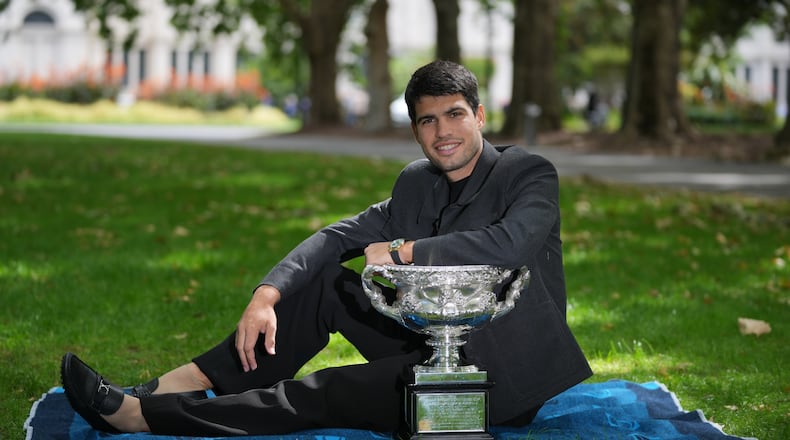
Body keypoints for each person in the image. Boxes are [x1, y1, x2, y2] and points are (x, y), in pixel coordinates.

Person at [61, 60, 593, 436]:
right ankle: (174, 385)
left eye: (455, 114)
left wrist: (405, 251)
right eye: (427, 120)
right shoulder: (417, 182)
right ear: (415, 130)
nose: (442, 131)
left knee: (325, 392)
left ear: (479, 117)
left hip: (506, 375)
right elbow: (338, 236)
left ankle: (141, 418)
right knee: (321, 284)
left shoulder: (527, 172)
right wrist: (267, 293)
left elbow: (509, 244)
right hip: (428, 341)